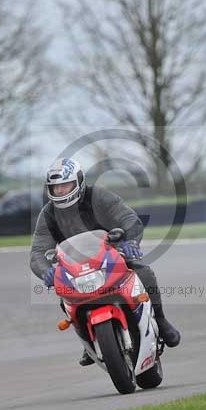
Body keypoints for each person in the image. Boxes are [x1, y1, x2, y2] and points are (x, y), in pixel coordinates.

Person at [30, 157, 181, 366]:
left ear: (79, 181)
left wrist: (130, 242)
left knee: (143, 272)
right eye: (57, 188)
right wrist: (45, 271)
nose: (62, 191)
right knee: (64, 298)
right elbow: (38, 250)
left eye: (66, 185)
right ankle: (89, 343)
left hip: (112, 255)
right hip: (75, 267)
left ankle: (162, 321)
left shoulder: (98, 196)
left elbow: (129, 219)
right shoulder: (48, 214)